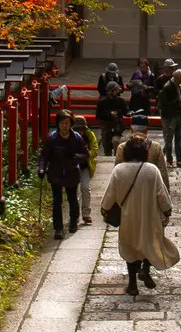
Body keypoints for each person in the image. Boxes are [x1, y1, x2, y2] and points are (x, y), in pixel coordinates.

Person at [108, 135, 178, 297]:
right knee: (149, 242)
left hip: (128, 217)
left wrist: (105, 209)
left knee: (130, 248)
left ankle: (132, 284)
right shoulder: (151, 170)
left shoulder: (119, 170)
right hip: (150, 215)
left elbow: (110, 194)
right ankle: (145, 269)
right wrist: (167, 210)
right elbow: (162, 194)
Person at [39, 110, 91, 238]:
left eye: (67, 123)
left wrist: (74, 157)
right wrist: (41, 169)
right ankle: (58, 228)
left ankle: (73, 221)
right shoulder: (52, 138)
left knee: (72, 198)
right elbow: (44, 156)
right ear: (58, 124)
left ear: (70, 124)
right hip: (55, 171)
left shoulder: (77, 138)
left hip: (71, 171)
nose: (64, 126)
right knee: (57, 200)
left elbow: (86, 154)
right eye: (62, 123)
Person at [156, 60, 181, 168]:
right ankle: (169, 160)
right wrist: (178, 101)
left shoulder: (179, 85)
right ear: (177, 78)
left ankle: (179, 160)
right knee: (169, 139)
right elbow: (162, 104)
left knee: (179, 138)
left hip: (178, 115)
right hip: (169, 117)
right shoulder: (167, 87)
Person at [95, 81, 128, 155]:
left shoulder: (121, 101)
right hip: (106, 127)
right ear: (110, 91)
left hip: (117, 126)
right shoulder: (102, 102)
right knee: (106, 146)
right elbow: (98, 116)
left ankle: (117, 157)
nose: (117, 91)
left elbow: (126, 112)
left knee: (116, 142)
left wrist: (129, 113)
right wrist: (109, 114)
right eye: (115, 90)